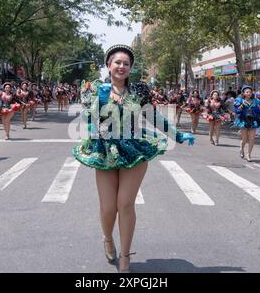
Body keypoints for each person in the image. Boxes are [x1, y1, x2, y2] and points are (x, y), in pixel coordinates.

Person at [72, 45, 194, 273]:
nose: (121, 66)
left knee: (125, 204)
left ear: (130, 68)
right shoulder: (96, 89)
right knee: (108, 207)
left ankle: (126, 256)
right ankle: (108, 239)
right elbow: (88, 116)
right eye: (117, 62)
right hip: (105, 150)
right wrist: (93, 118)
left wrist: (177, 134)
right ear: (108, 65)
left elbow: (153, 117)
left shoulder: (138, 92)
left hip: (134, 149)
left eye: (126, 64)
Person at [234, 86, 260, 162]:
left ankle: (249, 154)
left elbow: (259, 112)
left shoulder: (256, 101)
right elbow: (237, 111)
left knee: (252, 138)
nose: (249, 93)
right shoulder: (239, 100)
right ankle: (241, 149)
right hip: (243, 120)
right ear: (243, 93)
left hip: (253, 121)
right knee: (244, 139)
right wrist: (242, 105)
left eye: (250, 92)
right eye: (247, 92)